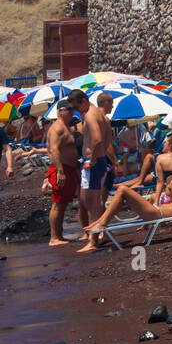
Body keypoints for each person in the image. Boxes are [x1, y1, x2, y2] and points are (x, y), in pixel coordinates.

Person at [69, 90, 113, 247]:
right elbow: (108, 136)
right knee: (89, 200)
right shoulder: (98, 114)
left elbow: (98, 139)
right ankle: (104, 233)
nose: (77, 110)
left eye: (77, 106)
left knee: (90, 201)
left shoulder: (90, 115)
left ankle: (93, 241)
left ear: (84, 100)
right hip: (97, 160)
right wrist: (100, 155)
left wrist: (92, 159)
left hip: (92, 162)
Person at [45, 100, 80, 246]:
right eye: (69, 110)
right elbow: (54, 149)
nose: (72, 112)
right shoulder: (57, 128)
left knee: (64, 203)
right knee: (57, 203)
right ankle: (54, 238)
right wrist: (60, 171)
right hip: (61, 169)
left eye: (73, 110)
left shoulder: (65, 127)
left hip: (68, 168)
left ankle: (59, 235)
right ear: (60, 111)